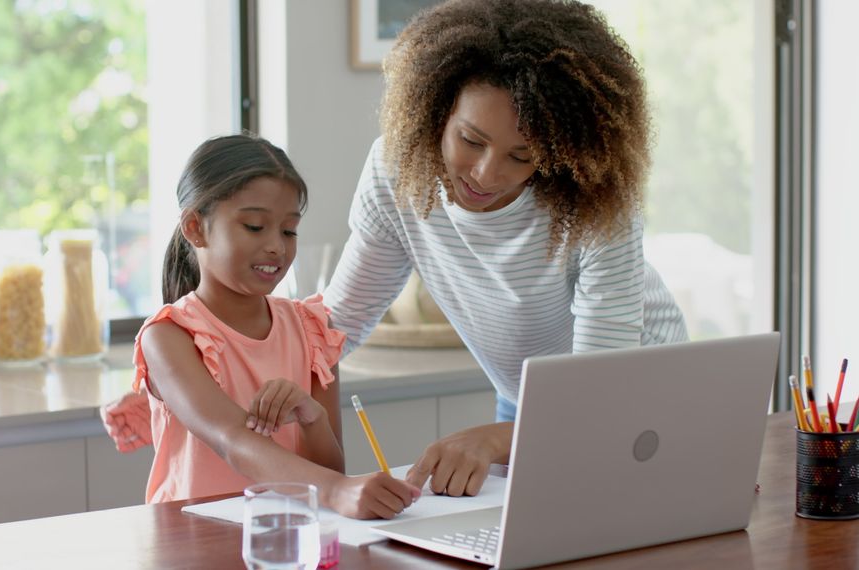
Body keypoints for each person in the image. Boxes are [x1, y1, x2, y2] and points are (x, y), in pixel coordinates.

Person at [322, 0, 689, 498]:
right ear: (437, 110)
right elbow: (336, 324)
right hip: (525, 403)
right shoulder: (396, 171)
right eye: (470, 140)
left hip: (640, 400)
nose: (486, 175)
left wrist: (494, 440)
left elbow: (602, 387)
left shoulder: (594, 199)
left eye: (522, 156)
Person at [100, 134, 420, 519]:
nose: (276, 247)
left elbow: (330, 471)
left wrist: (310, 415)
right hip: (192, 543)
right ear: (195, 228)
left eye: (288, 231)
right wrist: (337, 491)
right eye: (254, 227)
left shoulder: (311, 329)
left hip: (288, 540)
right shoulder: (169, 336)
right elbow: (231, 438)